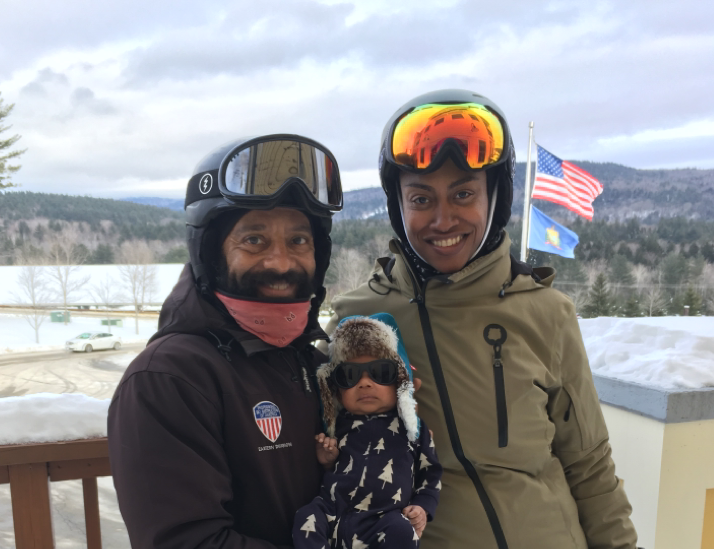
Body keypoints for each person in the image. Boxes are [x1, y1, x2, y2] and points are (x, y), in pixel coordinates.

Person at [324, 90, 638, 549]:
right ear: (398, 206)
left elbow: (589, 465)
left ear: (495, 197)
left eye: (463, 193)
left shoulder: (546, 313)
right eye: (421, 198)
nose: (443, 219)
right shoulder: (359, 320)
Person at [108, 134, 343, 548]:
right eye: (254, 240)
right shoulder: (169, 377)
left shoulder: (305, 361)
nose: (281, 262)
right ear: (211, 252)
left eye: (298, 240)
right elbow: (187, 542)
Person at [293, 313, 442, 549]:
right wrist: (327, 462)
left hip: (386, 517)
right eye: (350, 375)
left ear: (401, 380)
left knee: (403, 531)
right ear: (337, 387)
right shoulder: (336, 424)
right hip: (333, 512)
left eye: (381, 372)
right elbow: (338, 470)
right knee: (305, 517)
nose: (364, 383)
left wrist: (423, 507)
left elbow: (430, 475)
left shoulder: (414, 428)